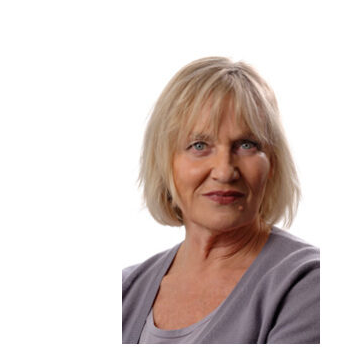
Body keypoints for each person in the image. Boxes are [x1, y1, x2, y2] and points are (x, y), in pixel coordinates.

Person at [122, 57, 319, 344]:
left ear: (272, 163)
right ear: (165, 163)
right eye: (199, 145)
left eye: (247, 145)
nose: (225, 171)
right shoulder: (125, 290)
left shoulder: (308, 284)